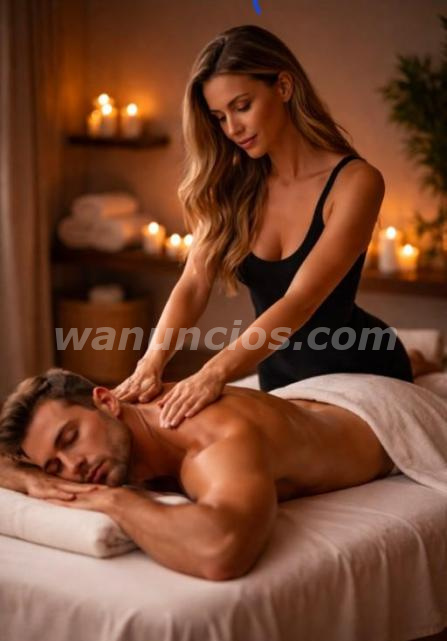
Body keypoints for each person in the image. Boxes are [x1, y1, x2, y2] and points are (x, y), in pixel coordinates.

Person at [112, 24, 413, 430]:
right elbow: (194, 284)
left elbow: (300, 301)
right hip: (277, 379)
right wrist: (150, 363)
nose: (232, 129)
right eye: (219, 117)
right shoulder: (233, 185)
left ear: (284, 87)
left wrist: (213, 371)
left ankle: (419, 361)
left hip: (358, 370)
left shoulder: (356, 182)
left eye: (242, 106)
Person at [0, 359, 439, 580]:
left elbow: (221, 550)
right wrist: (28, 477)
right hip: (312, 392)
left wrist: (110, 500)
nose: (72, 468)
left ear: (106, 401)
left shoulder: (209, 438)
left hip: (383, 413)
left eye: (70, 438)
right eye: (54, 466)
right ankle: (420, 361)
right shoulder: (117, 418)